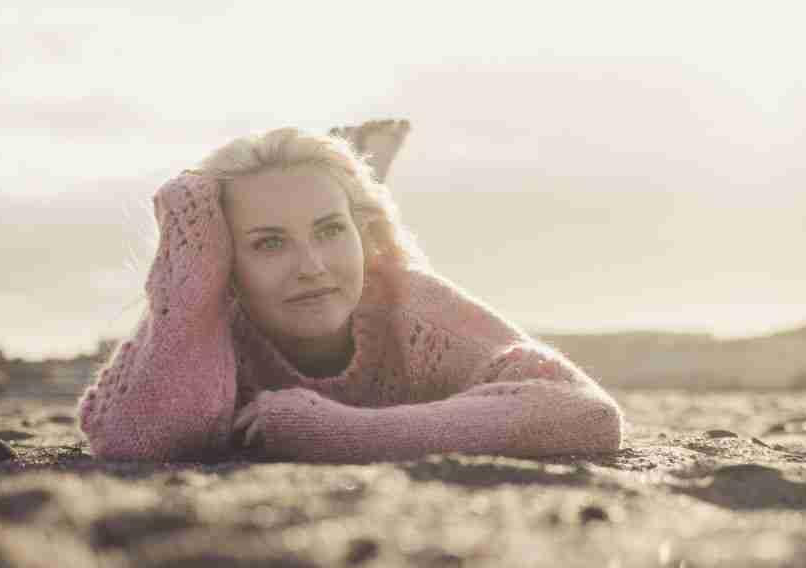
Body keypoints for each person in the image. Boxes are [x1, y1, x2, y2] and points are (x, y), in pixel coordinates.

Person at [74, 122, 624, 462]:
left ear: (362, 232)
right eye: (269, 244)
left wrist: (344, 433)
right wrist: (191, 271)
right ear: (223, 263)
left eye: (331, 231)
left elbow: (587, 414)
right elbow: (137, 441)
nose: (311, 267)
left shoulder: (413, 307)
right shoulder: (198, 319)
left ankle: (361, 172)